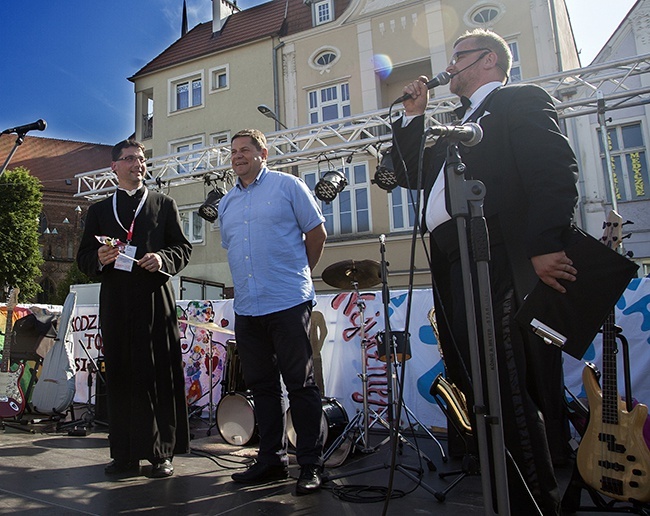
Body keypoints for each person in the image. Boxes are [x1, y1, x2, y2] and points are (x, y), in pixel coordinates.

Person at [392, 29, 579, 515]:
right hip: (451, 255)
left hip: (493, 248)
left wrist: (542, 246)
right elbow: (411, 176)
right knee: (473, 376)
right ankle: (503, 492)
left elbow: (555, 170)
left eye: (458, 57)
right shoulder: (454, 125)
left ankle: (535, 503)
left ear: (488, 60)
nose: (449, 66)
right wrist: (413, 117)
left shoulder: (517, 101)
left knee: (504, 379)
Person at [218, 129, 327, 494]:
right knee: (262, 387)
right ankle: (271, 461)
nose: (238, 156)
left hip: (288, 301)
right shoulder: (226, 203)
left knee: (300, 384)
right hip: (248, 307)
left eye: (245, 149)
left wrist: (297, 277)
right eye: (233, 151)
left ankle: (310, 465)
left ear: (263, 153)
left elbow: (316, 235)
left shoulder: (288, 186)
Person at [76, 139, 192, 478]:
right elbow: (83, 257)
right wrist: (97, 258)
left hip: (155, 298)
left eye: (141, 159)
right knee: (123, 377)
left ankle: (161, 454)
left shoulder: (163, 203)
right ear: (114, 167)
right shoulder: (99, 210)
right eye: (129, 159)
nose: (137, 164)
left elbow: (182, 248)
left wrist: (163, 257)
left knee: (157, 374)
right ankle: (124, 454)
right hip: (117, 300)